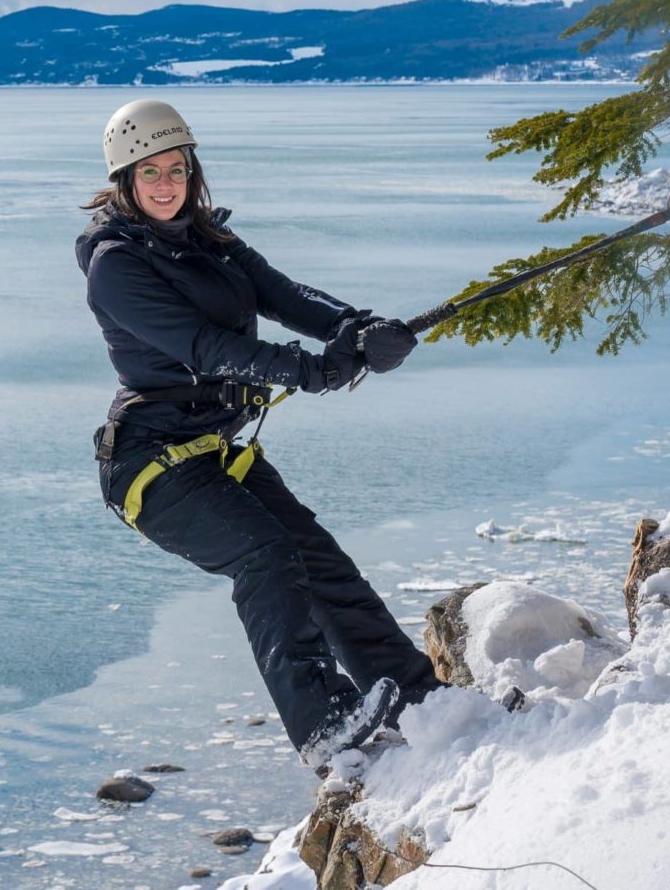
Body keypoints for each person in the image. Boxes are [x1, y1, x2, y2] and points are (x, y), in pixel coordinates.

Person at [75, 98, 443, 771]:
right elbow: (204, 347)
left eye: (177, 169)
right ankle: (323, 725)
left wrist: (359, 328)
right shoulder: (115, 266)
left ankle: (421, 705)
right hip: (151, 467)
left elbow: (285, 294)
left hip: (215, 451)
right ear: (124, 180)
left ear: (193, 172)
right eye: (149, 172)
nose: (166, 184)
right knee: (266, 556)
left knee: (320, 563)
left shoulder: (209, 240)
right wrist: (311, 371)